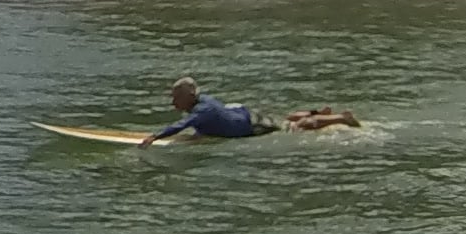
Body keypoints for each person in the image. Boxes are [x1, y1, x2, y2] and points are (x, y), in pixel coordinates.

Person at [139, 76, 359, 143]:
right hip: (244, 114)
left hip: (249, 125)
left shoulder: (200, 111)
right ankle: (318, 112)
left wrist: (154, 137)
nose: (173, 103)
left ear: (188, 97)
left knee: (293, 127)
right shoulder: (203, 100)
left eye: (176, 98)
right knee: (283, 119)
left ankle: (341, 118)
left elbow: (181, 124)